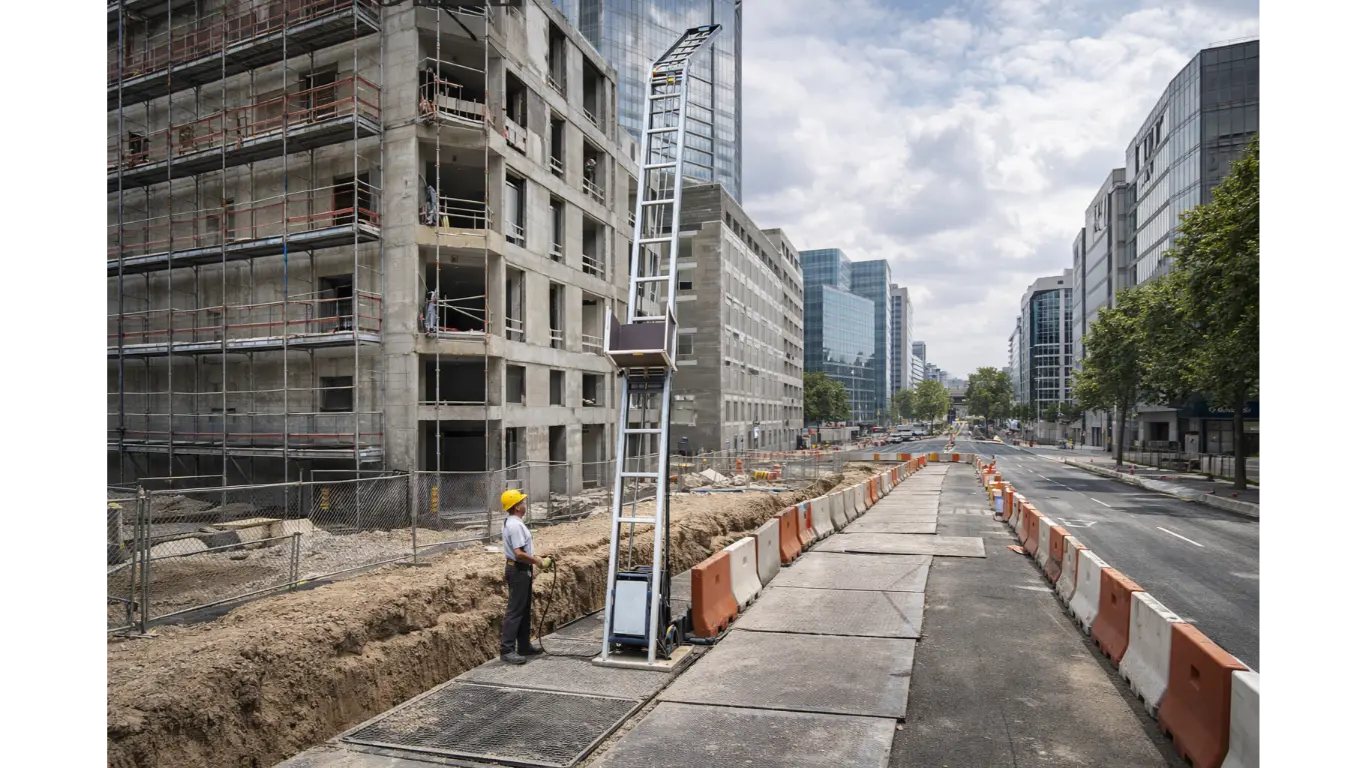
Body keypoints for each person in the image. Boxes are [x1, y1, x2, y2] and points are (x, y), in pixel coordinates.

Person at [499, 489, 546, 665]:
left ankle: (524, 645)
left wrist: (534, 559)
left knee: (524, 609)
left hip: (521, 569)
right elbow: (519, 553)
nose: (524, 504)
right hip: (518, 569)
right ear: (517, 506)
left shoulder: (511, 523)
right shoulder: (516, 525)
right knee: (515, 610)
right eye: (522, 502)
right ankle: (507, 649)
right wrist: (538, 561)